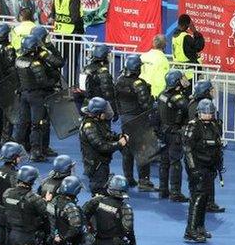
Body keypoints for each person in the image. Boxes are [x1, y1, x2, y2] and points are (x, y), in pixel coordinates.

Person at [183, 99, 225, 242]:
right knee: (197, 198)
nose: (207, 115)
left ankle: (200, 227)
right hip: (198, 168)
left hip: (209, 168)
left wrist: (218, 164)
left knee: (204, 199)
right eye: (204, 113)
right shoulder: (193, 126)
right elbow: (187, 149)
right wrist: (193, 169)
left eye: (210, 113)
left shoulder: (214, 126)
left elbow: (218, 147)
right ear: (199, 113)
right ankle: (191, 230)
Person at [14, 36, 58, 161]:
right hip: (36, 96)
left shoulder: (18, 60)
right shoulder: (35, 64)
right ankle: (36, 151)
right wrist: (54, 80)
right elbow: (43, 82)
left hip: (24, 95)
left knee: (22, 123)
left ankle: (16, 150)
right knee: (37, 124)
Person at [116, 55, 155, 190]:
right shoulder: (139, 84)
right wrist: (151, 99)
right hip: (138, 119)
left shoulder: (119, 80)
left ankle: (128, 178)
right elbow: (146, 104)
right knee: (143, 149)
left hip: (125, 119)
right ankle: (144, 181)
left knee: (127, 149)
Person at [79, 98, 127, 195]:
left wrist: (118, 136)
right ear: (97, 113)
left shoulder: (97, 121)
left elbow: (106, 134)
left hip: (101, 162)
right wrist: (119, 144)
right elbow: (101, 146)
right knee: (99, 192)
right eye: (104, 112)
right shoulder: (89, 126)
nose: (106, 113)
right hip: (96, 165)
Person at [158, 70, 190, 202]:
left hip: (163, 132)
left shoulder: (162, 94)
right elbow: (187, 110)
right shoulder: (178, 98)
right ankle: (175, 192)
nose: (185, 80)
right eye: (181, 79)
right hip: (174, 133)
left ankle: (163, 190)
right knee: (175, 162)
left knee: (164, 162)